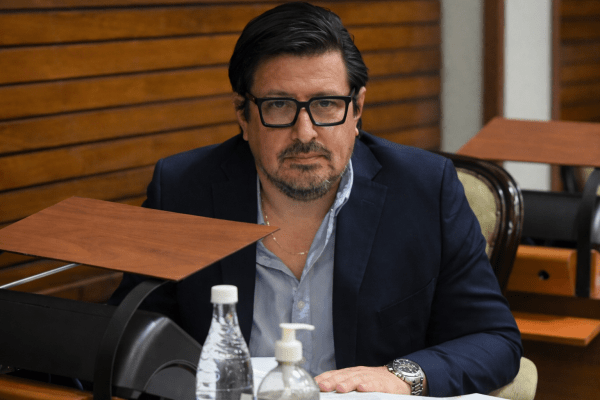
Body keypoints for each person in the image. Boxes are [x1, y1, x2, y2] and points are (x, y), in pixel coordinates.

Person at [110, 2, 522, 396]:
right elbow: (131, 332)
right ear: (243, 115)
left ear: (357, 109)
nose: (305, 132)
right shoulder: (184, 190)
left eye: (326, 104)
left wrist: (399, 377)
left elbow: (493, 339)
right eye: (279, 105)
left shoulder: (424, 190)